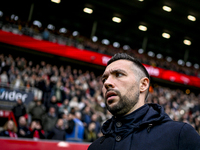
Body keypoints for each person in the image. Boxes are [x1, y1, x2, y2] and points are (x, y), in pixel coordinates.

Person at [88, 53, 200, 150]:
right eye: (104, 79)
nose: (107, 83)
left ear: (143, 85)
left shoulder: (180, 135)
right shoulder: (95, 147)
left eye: (119, 74)